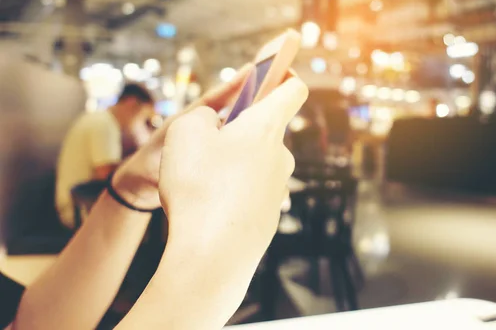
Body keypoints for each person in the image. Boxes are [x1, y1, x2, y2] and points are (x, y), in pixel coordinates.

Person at [0, 65, 308, 330]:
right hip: (75, 210)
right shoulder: (102, 125)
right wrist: (207, 269)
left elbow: (26, 324)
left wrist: (128, 190)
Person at [55, 83, 156, 229]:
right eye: (143, 116)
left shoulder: (101, 119)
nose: (140, 123)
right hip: (79, 209)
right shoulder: (104, 125)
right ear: (131, 103)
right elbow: (107, 175)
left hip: (79, 204)